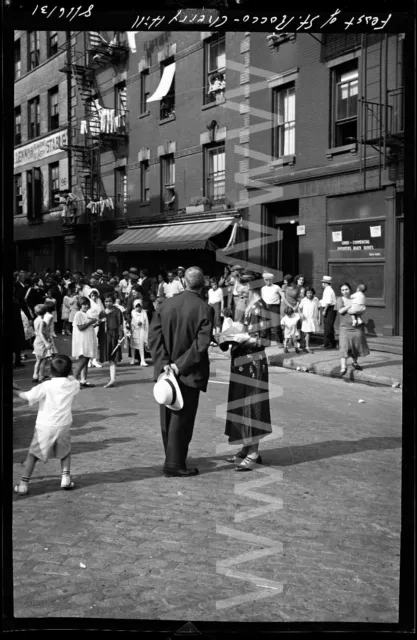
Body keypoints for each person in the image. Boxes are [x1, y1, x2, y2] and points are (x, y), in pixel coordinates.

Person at [148, 266, 214, 477]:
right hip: (188, 372)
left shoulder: (166, 304)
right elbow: (201, 345)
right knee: (182, 417)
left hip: (166, 371)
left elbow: (154, 337)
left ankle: (172, 455)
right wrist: (180, 365)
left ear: (183, 282)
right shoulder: (205, 308)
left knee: (167, 414)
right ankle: (175, 463)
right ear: (202, 285)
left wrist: (165, 363)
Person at [218, 271, 272, 471]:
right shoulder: (248, 306)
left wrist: (243, 339)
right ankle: (245, 447)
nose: (236, 290)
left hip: (253, 363)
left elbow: (265, 340)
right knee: (242, 404)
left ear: (249, 286)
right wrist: (226, 335)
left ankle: (253, 452)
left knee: (251, 403)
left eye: (238, 286)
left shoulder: (259, 307)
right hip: (243, 362)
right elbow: (241, 327)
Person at [13, 354, 80, 495]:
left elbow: (28, 396)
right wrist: (70, 373)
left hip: (45, 425)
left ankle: (24, 484)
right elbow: (73, 379)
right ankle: (66, 478)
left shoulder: (46, 386)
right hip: (64, 425)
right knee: (65, 451)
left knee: (33, 454)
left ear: (50, 371)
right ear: (69, 371)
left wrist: (14, 390)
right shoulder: (73, 384)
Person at [336, 283, 370, 375]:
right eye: (342, 290)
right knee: (344, 346)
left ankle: (354, 362)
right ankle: (343, 367)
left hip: (357, 327)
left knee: (356, 345)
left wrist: (359, 308)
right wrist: (350, 305)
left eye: (346, 289)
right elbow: (340, 311)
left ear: (350, 289)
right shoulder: (340, 299)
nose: (344, 291)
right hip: (345, 328)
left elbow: (362, 309)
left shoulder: (356, 298)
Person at [97, 293, 124, 388]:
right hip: (105, 337)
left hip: (115, 336)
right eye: (106, 301)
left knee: (113, 358)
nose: (108, 303)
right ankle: (112, 379)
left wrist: (120, 336)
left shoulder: (117, 311)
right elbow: (100, 327)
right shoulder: (102, 313)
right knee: (109, 357)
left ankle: (113, 379)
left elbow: (120, 325)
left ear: (113, 302)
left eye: (110, 301)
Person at [72, 297, 100, 388]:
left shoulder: (85, 314)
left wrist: (95, 324)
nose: (86, 306)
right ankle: (74, 382)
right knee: (82, 361)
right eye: (84, 304)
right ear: (80, 305)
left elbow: (87, 326)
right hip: (82, 341)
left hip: (87, 339)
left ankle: (83, 380)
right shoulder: (79, 314)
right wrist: (91, 322)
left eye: (87, 304)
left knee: (86, 360)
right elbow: (80, 327)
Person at [32, 304, 53, 383]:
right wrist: (46, 342)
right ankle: (41, 376)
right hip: (41, 342)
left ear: (35, 312)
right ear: (45, 312)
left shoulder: (36, 320)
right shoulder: (42, 322)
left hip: (36, 341)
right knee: (43, 360)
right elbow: (41, 332)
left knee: (38, 360)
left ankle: (35, 375)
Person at [261, 272, 282, 345]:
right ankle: (267, 342)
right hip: (265, 307)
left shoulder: (276, 287)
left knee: (276, 325)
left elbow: (282, 295)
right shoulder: (263, 288)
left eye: (268, 280)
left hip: (274, 307)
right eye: (265, 280)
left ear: (271, 280)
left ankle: (279, 342)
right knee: (266, 326)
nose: (267, 281)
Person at [298, 287, 320, 353]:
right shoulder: (304, 300)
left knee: (310, 332)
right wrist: (301, 314)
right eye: (307, 293)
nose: (309, 294)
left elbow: (319, 309)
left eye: (310, 293)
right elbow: (299, 308)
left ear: (313, 293)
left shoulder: (316, 299)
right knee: (307, 332)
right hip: (306, 319)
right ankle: (307, 347)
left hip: (313, 318)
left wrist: (319, 318)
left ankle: (303, 344)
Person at [87, 289, 104, 368]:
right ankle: (89, 360)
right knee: (89, 341)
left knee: (96, 342)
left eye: (95, 295)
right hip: (90, 322)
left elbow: (102, 311)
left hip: (98, 323)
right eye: (92, 295)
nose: (94, 297)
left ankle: (95, 360)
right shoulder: (88, 302)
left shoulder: (99, 301)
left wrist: (101, 319)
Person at [128, 299, 149, 366]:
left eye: (139, 306)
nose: (138, 308)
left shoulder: (144, 313)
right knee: (133, 346)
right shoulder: (133, 312)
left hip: (142, 331)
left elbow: (146, 322)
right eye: (136, 306)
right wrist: (137, 323)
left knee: (141, 346)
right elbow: (134, 320)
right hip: (134, 331)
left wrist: (142, 325)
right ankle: (132, 359)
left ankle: (142, 360)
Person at [319, 275, 337, 349]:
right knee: (328, 326)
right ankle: (329, 342)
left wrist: (325, 310)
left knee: (328, 327)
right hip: (330, 308)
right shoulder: (327, 290)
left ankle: (329, 343)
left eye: (323, 282)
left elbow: (328, 302)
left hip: (330, 309)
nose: (322, 284)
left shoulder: (328, 290)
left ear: (325, 283)